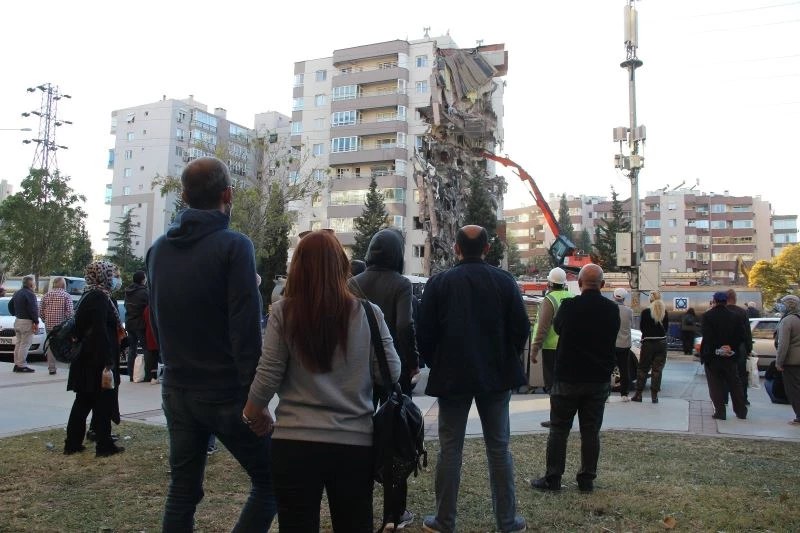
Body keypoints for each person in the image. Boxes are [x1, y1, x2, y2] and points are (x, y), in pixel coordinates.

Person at [146, 156, 275, 533]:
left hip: (177, 389)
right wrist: (257, 402)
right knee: (271, 481)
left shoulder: (157, 251)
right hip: (226, 393)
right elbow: (245, 330)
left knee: (182, 491)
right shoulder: (234, 246)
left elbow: (155, 320)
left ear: (183, 197)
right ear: (228, 194)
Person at [243, 230, 401, 532]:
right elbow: (392, 373)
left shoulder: (283, 312)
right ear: (343, 266)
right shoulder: (369, 313)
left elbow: (268, 374)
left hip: (294, 443)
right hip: (354, 443)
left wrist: (253, 413)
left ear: (297, 268)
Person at [417, 225, 529, 533]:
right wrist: (506, 356)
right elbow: (521, 328)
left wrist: (435, 362)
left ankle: (443, 521)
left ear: (455, 249)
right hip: (496, 376)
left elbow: (424, 332)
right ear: (487, 248)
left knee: (450, 447)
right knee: (499, 448)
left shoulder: (440, 283)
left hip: (452, 376)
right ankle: (507, 522)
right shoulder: (505, 282)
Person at [349, 227, 419, 529]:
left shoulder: (352, 282)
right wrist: (411, 363)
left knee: (360, 436)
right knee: (396, 437)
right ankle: (394, 513)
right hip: (393, 370)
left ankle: (359, 504)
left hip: (359, 368)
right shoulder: (401, 284)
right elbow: (405, 325)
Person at [529, 264, 619, 493]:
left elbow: (557, 328)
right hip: (597, 379)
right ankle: (586, 479)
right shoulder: (611, 309)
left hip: (567, 377)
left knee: (559, 430)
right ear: (603, 285)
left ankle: (553, 478)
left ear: (579, 284)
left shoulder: (569, 307)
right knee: (591, 431)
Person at [64, 261, 126, 457]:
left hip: (86, 358)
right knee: (103, 402)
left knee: (83, 401)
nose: (116, 279)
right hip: (97, 359)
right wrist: (108, 360)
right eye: (113, 274)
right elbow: (100, 329)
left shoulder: (87, 295)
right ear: (103, 276)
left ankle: (72, 444)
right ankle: (104, 445)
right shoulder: (100, 297)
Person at [699, 291, 747, 420]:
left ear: (714, 301)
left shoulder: (708, 316)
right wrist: (730, 346)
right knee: (735, 383)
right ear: (726, 301)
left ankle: (720, 411)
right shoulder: (735, 316)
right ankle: (741, 411)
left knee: (715, 385)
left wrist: (717, 348)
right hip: (730, 356)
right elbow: (741, 335)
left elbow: (707, 336)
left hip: (713, 356)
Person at [531, 267, 572, 400]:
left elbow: (543, 327)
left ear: (549, 283)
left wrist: (535, 349)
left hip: (551, 348)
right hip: (569, 348)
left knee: (552, 385)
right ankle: (563, 416)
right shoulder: (571, 297)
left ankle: (556, 417)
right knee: (565, 384)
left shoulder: (549, 300)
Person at [631, 291, 669, 403]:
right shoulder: (664, 312)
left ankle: (638, 395)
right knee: (657, 370)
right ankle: (654, 396)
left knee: (643, 368)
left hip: (648, 343)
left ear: (650, 300)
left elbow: (642, 328)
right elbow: (665, 329)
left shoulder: (646, 312)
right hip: (661, 343)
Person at [40, 276, 74, 375]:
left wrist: (45, 320)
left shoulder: (46, 295)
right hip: (62, 326)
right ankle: (68, 366)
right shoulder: (66, 295)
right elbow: (69, 313)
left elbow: (41, 311)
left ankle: (52, 368)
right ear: (64, 285)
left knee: (51, 345)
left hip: (49, 325)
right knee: (67, 344)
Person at [775, 294, 800, 425]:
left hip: (791, 362)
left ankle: (799, 416)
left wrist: (779, 362)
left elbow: (783, 344)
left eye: (783, 303)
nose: (780, 306)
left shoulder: (787, 320)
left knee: (793, 390)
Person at [725, 289, 753, 406]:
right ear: (735, 298)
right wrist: (749, 348)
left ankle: (724, 398)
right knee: (741, 374)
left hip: (725, 346)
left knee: (724, 374)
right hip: (740, 346)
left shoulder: (723, 311)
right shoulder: (742, 312)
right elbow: (747, 332)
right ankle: (743, 398)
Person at [123, 270, 150, 382]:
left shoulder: (128, 292)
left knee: (132, 350)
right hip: (140, 324)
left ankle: (131, 374)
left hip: (129, 323)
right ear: (142, 279)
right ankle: (148, 374)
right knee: (146, 348)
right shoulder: (144, 292)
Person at [9, 274, 39, 373]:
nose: (34, 285)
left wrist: (15, 313)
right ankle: (21, 365)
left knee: (18, 343)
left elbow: (10, 305)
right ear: (31, 284)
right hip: (26, 321)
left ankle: (17, 363)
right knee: (25, 344)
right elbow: (33, 309)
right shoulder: (30, 294)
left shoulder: (17, 293)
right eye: (34, 283)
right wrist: (36, 321)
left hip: (18, 320)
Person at [613, 288, 634, 400]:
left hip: (612, 344)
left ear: (614, 296)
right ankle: (624, 394)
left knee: (608, 368)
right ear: (624, 298)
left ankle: (606, 394)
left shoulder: (610, 310)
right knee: (624, 369)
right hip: (625, 344)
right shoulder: (629, 311)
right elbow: (632, 324)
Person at [142, 303, 160, 383]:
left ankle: (152, 376)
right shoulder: (155, 309)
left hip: (149, 333)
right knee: (155, 357)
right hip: (156, 334)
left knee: (152, 356)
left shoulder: (146, 309)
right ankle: (154, 377)